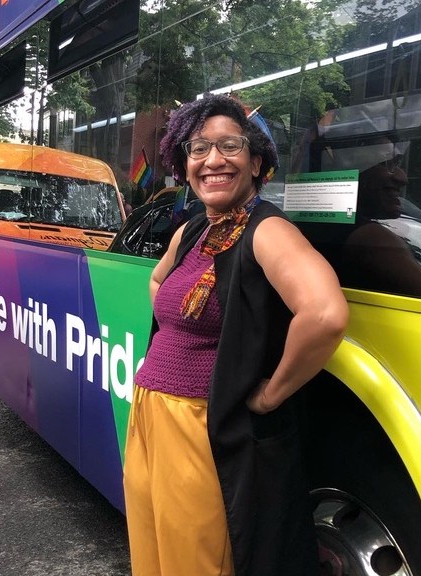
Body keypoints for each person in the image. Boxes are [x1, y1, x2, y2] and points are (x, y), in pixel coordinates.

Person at [123, 94, 349, 576]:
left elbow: (325, 314)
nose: (213, 160)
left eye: (230, 145)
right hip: (151, 415)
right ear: (185, 165)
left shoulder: (267, 230)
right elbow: (158, 282)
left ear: (256, 162)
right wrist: (176, 340)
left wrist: (270, 394)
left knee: (197, 561)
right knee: (153, 551)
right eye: (198, 148)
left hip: (203, 429)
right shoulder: (194, 230)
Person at [341, 161, 421, 300]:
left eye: (398, 165)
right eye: (386, 164)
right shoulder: (372, 238)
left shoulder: (406, 217)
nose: (402, 177)